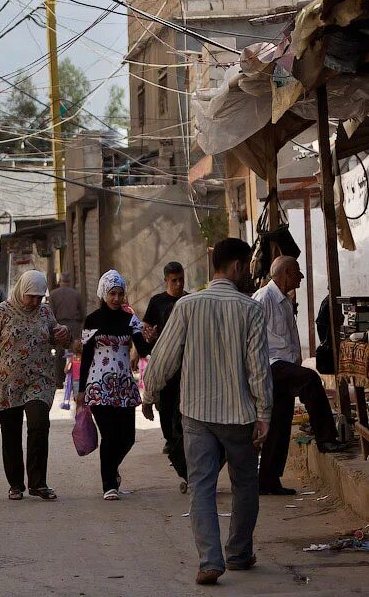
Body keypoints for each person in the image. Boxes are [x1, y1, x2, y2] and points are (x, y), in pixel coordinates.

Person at [146, 238, 272, 586]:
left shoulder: (188, 305)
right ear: (235, 267)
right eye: (246, 266)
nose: (248, 273)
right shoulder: (251, 310)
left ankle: (209, 561)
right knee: (245, 483)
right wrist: (265, 414)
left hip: (197, 413)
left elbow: (162, 358)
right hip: (240, 415)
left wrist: (149, 392)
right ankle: (239, 554)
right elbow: (258, 368)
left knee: (201, 485)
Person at [0, 270, 70, 501]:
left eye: (39, 297)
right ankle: (16, 484)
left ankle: (38, 483)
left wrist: (63, 332)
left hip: (39, 380)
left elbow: (55, 335)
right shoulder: (1, 312)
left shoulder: (45, 312)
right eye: (30, 296)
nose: (34, 302)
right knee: (11, 433)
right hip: (7, 383)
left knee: (39, 424)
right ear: (21, 291)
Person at [252, 256, 347, 495]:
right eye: (297, 272)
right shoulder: (263, 299)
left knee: (280, 423)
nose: (301, 277)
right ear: (284, 273)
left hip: (283, 364)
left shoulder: (283, 300)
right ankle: (326, 438)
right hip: (271, 365)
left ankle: (268, 481)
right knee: (310, 379)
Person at [76, 270, 150, 501]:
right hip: (98, 386)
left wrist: (152, 337)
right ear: (103, 293)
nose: (117, 298)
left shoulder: (130, 319)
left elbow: (144, 350)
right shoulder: (92, 320)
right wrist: (80, 390)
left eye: (120, 293)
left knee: (127, 436)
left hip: (124, 386)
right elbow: (86, 355)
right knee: (109, 435)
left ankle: (111, 468)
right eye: (112, 293)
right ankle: (109, 484)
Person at [141, 261, 189, 491]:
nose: (179, 284)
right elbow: (146, 328)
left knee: (182, 410)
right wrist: (148, 336)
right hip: (163, 361)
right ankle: (171, 440)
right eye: (174, 280)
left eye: (181, 279)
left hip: (186, 364)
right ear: (166, 281)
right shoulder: (157, 302)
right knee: (167, 406)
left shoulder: (189, 301)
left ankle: (179, 448)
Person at [48, 272, 85, 387]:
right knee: (76, 353)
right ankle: (77, 379)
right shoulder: (77, 295)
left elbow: (51, 314)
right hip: (74, 325)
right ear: (69, 282)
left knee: (59, 355)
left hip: (59, 325)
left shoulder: (53, 295)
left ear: (60, 282)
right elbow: (82, 314)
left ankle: (59, 381)